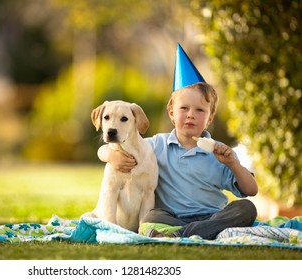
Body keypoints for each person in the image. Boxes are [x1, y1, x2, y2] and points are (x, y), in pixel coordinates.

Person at [97, 43, 258, 240]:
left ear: (210, 117)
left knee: (246, 208)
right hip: (169, 217)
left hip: (212, 216)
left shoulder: (219, 153)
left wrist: (233, 163)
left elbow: (251, 190)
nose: (191, 115)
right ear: (172, 113)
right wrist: (112, 156)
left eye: (199, 110)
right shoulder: (157, 145)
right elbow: (108, 148)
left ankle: (183, 234)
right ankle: (198, 232)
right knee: (150, 216)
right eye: (184, 109)